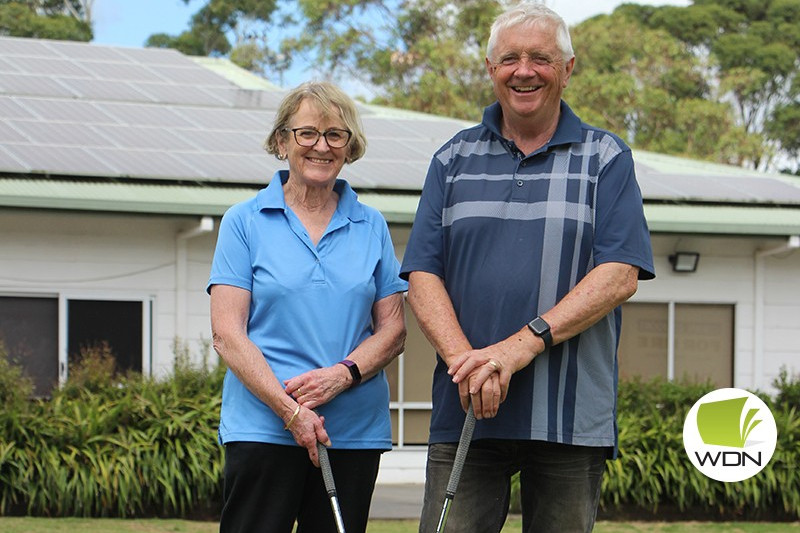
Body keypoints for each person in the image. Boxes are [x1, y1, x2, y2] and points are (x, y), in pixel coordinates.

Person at [400, 3, 655, 532]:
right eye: (510, 58)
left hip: (569, 416)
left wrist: (514, 351)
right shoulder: (452, 159)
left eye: (541, 57)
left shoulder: (606, 157)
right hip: (466, 409)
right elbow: (423, 276)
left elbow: (620, 273)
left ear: (568, 68)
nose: (524, 70)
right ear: (491, 69)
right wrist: (468, 365)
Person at [207, 81, 407, 533]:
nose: (322, 146)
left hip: (352, 432)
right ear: (282, 141)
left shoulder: (371, 224)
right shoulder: (243, 221)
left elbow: (393, 331)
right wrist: (290, 410)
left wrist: (342, 375)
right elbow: (226, 333)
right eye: (307, 133)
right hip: (263, 426)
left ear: (350, 147)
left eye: (336, 135)